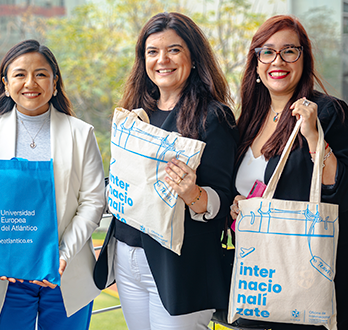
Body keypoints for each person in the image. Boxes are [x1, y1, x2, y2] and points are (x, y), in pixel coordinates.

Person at [93, 12, 238, 329]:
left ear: (193, 57)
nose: (163, 60)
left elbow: (222, 202)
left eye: (174, 50)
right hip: (128, 257)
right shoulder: (135, 113)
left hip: (182, 268)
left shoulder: (214, 117)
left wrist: (192, 193)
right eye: (152, 51)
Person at [229, 15, 348, 329]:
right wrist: (237, 204)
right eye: (267, 52)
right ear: (255, 64)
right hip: (263, 280)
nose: (277, 60)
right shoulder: (248, 121)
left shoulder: (329, 112)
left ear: (304, 59)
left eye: (289, 51)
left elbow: (346, 192)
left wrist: (313, 136)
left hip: (318, 277)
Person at [0, 39, 105, 330]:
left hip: (67, 273)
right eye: (20, 74)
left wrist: (63, 255)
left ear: (55, 83)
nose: (30, 82)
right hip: (8, 277)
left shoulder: (81, 133)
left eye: (41, 74)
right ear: (6, 84)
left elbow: (93, 201)